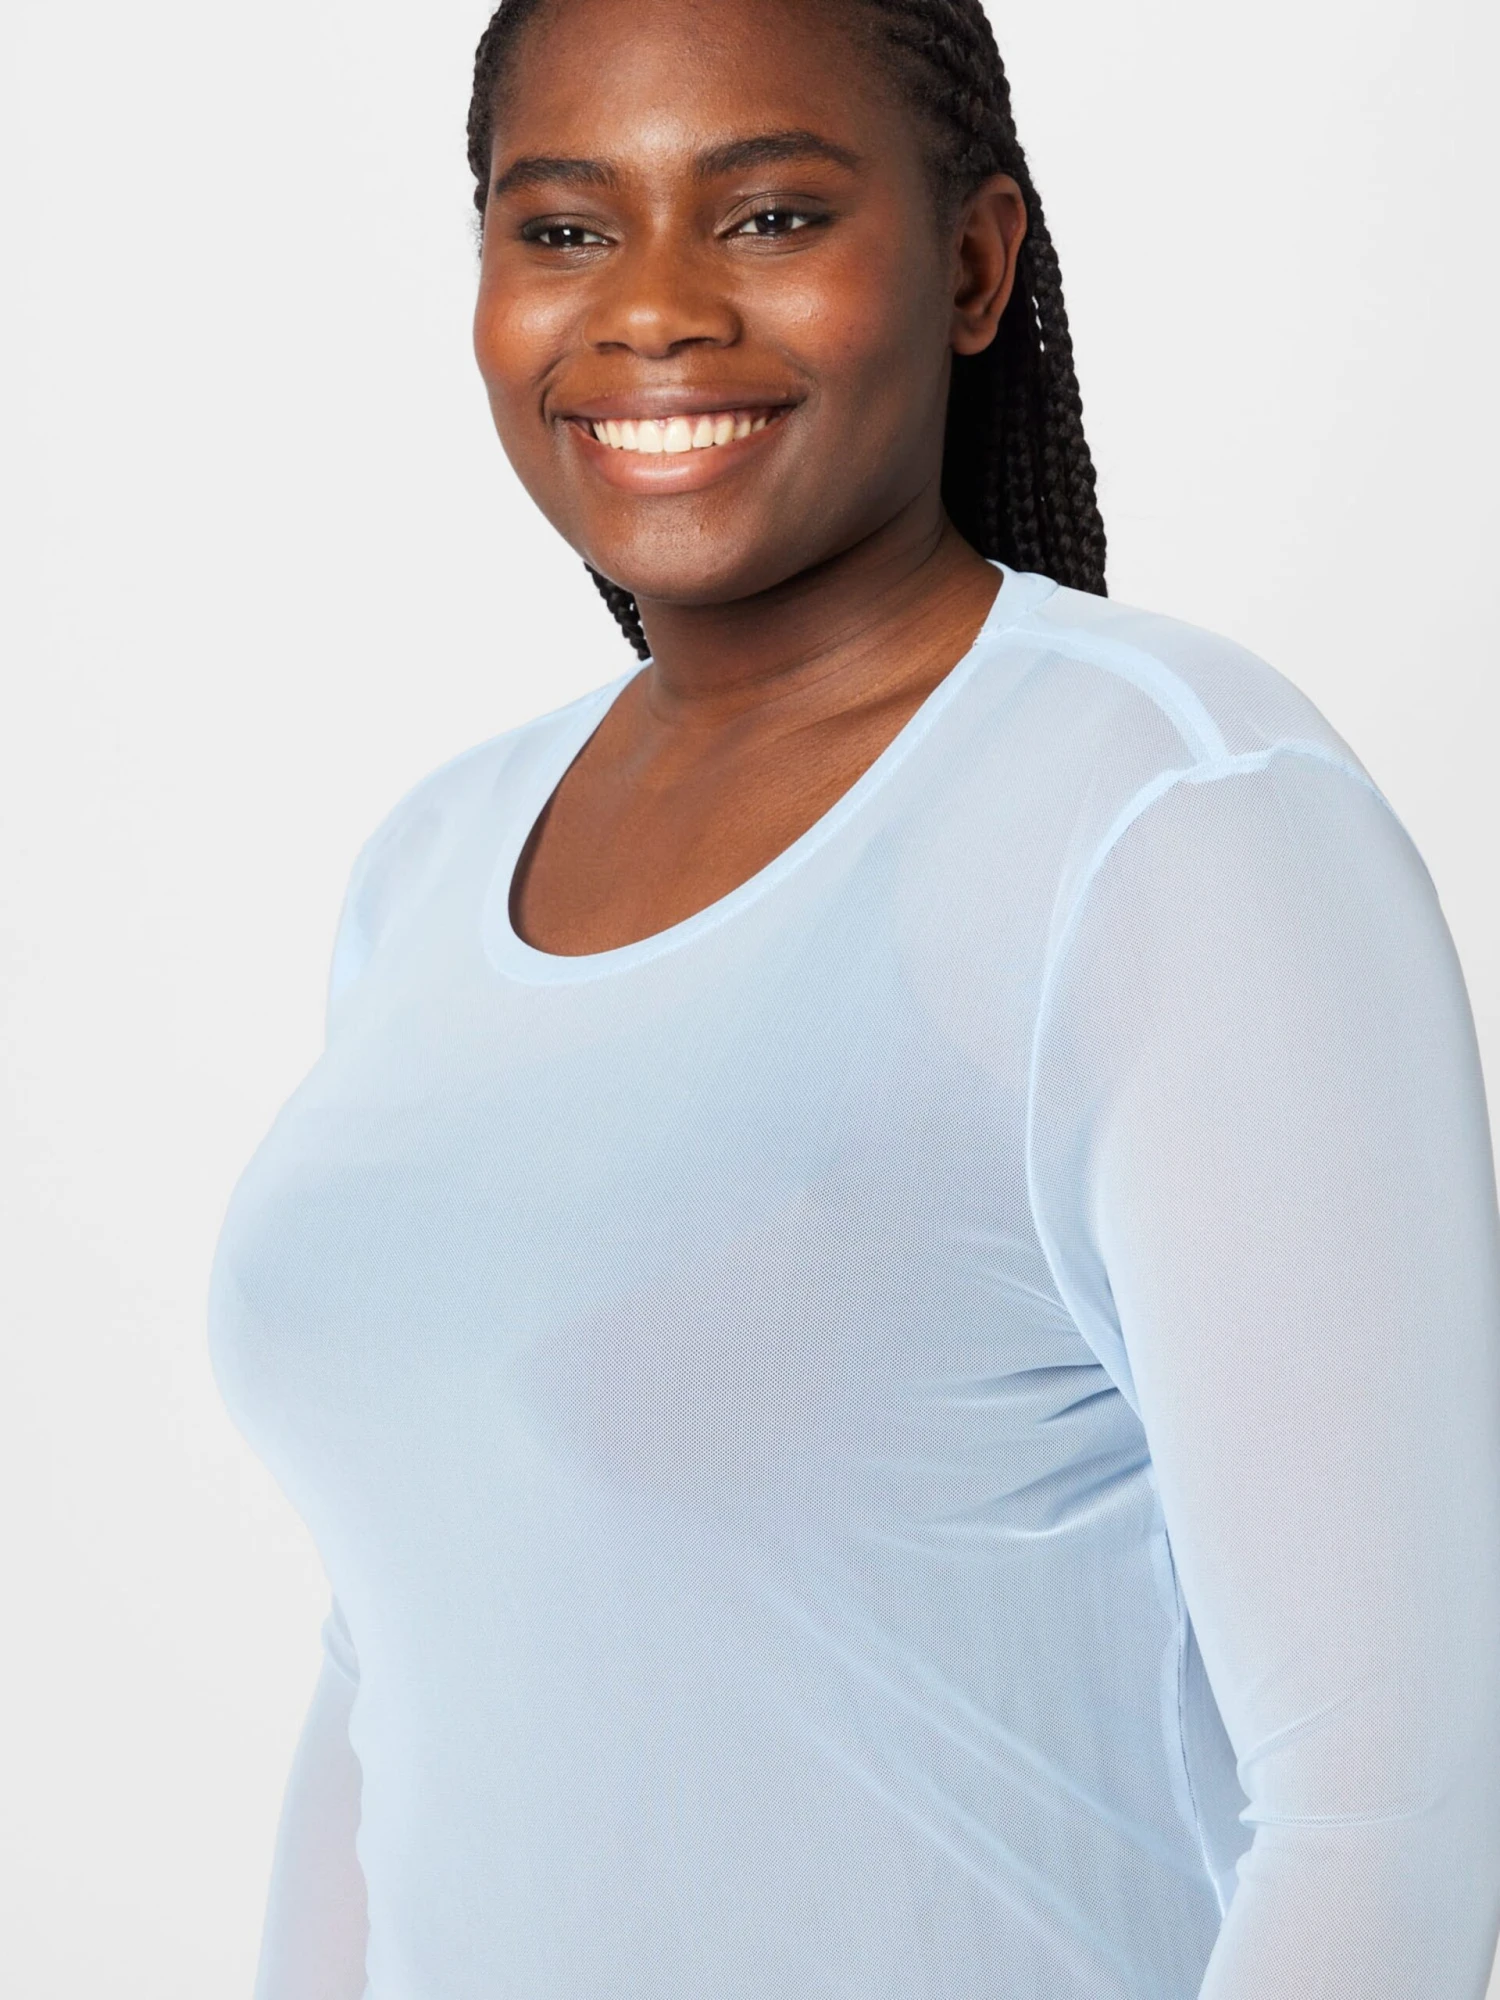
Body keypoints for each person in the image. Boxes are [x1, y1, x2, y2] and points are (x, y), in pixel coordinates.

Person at [207, 0, 1500, 1994]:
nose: (652, 309)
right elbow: (394, 1662)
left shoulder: (1166, 819)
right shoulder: (433, 863)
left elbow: (1394, 1814)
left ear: (974, 265)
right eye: (563, 228)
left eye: (772, 216)